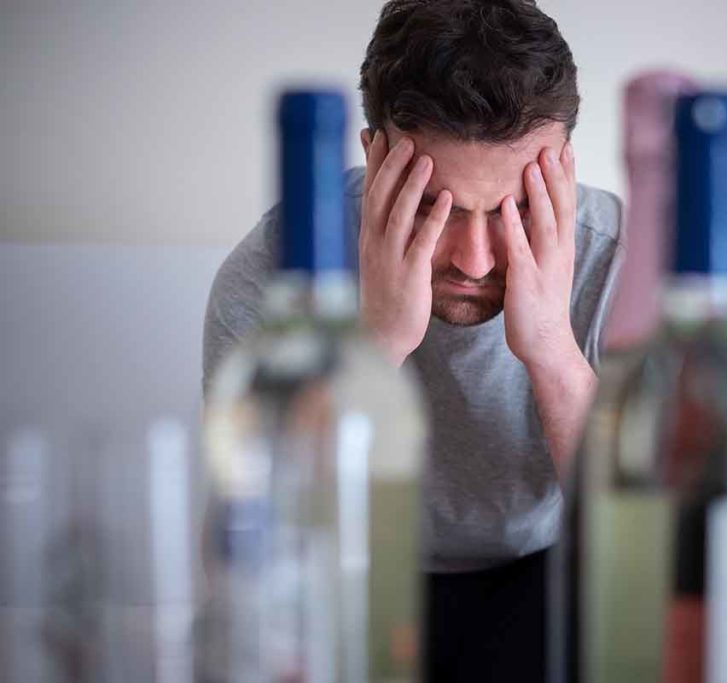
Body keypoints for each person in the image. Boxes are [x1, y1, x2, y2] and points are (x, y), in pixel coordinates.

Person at [202, 0, 623, 679]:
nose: (475, 260)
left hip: (551, 569)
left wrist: (552, 351)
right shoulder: (274, 276)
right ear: (373, 155)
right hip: (353, 566)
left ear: (563, 170)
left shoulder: (618, 265)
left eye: (514, 207)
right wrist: (368, 346)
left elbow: (635, 554)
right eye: (435, 206)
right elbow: (261, 547)